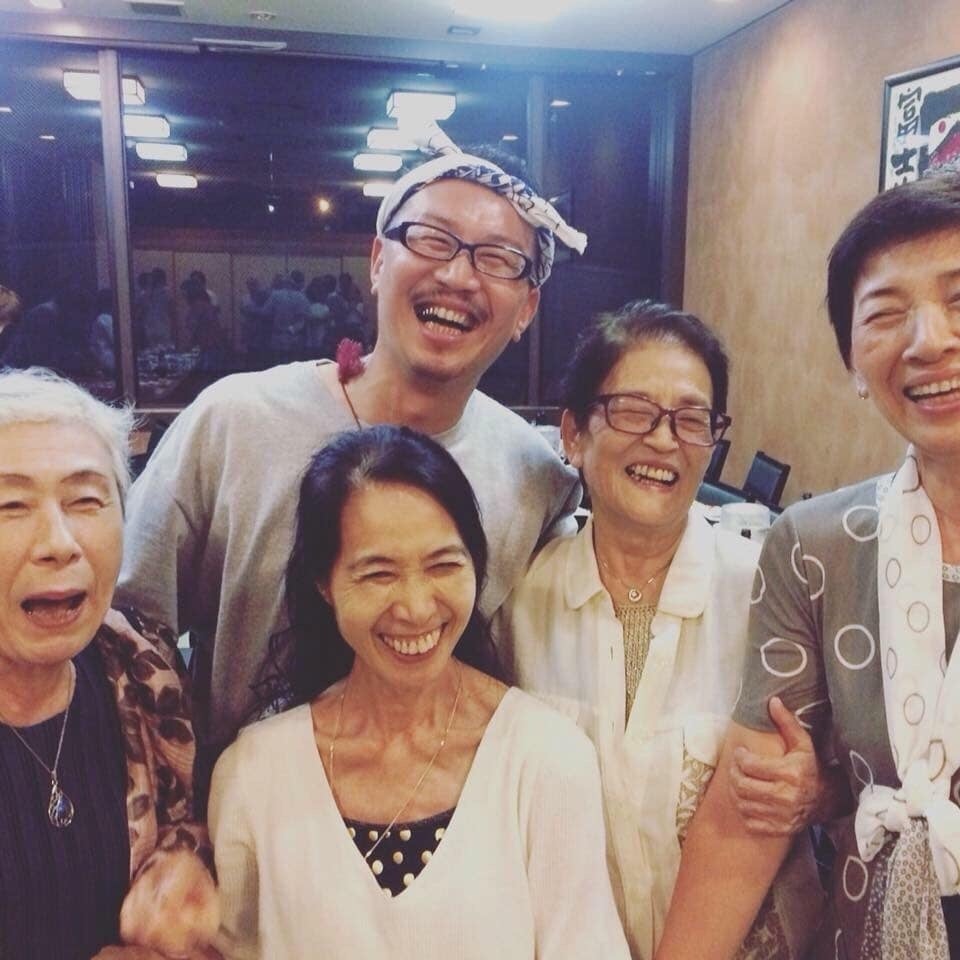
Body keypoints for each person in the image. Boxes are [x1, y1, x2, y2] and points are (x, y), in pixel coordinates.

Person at [116, 126, 587, 790]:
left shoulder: (534, 477)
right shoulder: (234, 424)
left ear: (526, 309)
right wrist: (166, 813)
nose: (458, 276)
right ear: (377, 260)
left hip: (438, 819)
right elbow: (127, 636)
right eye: (432, 239)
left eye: (499, 259)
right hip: (235, 817)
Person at [656, 170, 960, 960]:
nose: (928, 341)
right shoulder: (816, 545)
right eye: (885, 314)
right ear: (854, 363)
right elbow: (747, 810)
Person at [209, 425, 629, 959]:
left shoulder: (545, 760)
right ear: (324, 583)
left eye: (443, 565)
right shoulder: (256, 772)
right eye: (378, 574)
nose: (415, 607)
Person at [499, 301, 826, 959]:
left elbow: (863, 771)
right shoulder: (519, 601)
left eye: (691, 419)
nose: (663, 439)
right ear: (573, 434)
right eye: (633, 410)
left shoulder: (769, 591)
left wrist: (819, 790)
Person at [0, 367, 218, 960]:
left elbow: (185, 834)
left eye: (86, 500)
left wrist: (185, 875)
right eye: (11, 505)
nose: (60, 542)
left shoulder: (146, 673)